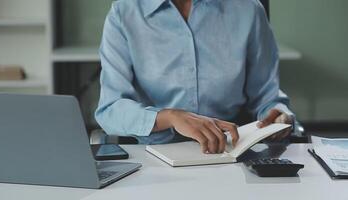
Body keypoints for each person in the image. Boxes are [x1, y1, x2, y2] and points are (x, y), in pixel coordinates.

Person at [95, 0, 296, 154]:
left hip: (230, 152)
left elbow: (266, 95)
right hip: (153, 155)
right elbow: (110, 108)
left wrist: (278, 114)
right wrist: (170, 117)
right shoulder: (125, 12)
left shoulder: (248, 9)